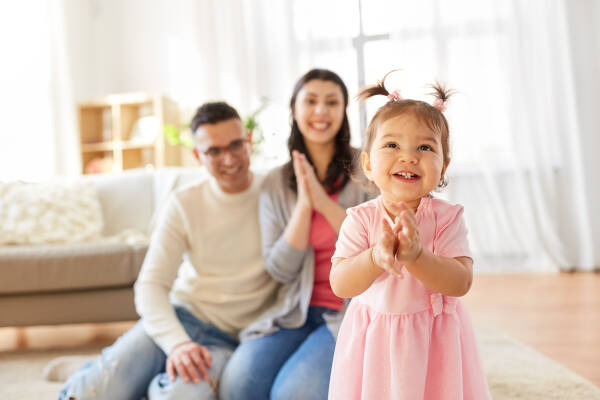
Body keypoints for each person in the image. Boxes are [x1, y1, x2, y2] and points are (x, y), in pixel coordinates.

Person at [58, 102, 279, 400]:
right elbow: (151, 285)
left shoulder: (277, 194)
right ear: (197, 155)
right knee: (91, 394)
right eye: (214, 151)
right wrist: (176, 344)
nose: (229, 159)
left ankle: (122, 373)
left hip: (231, 340)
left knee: (180, 396)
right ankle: (96, 372)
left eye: (236, 145)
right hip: (180, 318)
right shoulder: (184, 203)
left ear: (248, 140)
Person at [327, 71, 492, 399]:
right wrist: (375, 257)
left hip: (434, 343)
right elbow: (341, 283)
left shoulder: (447, 219)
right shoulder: (360, 220)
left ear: (443, 166)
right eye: (391, 144)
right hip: (374, 343)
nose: (408, 156)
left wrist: (417, 256)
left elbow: (460, 282)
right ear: (368, 164)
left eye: (425, 147)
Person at [219, 69, 372, 400]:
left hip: (348, 312)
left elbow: (377, 246)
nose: (321, 111)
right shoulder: (276, 183)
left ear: (343, 111)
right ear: (294, 110)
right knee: (238, 385)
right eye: (311, 101)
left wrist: (323, 203)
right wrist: (304, 207)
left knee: (291, 394)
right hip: (294, 310)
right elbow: (280, 269)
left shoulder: (367, 168)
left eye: (332, 102)